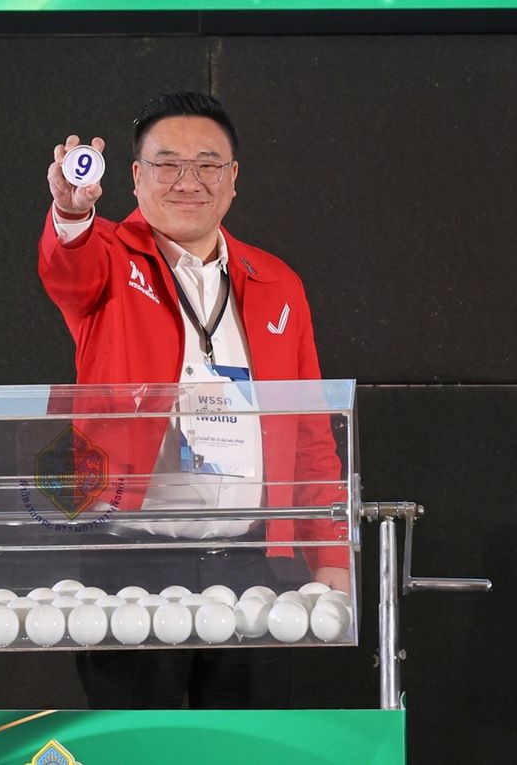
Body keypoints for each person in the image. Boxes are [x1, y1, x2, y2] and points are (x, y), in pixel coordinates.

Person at [38, 91, 348, 708]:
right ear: (135, 176)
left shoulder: (278, 282)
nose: (189, 181)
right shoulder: (108, 256)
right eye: (168, 164)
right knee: (135, 746)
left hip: (251, 561)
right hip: (130, 561)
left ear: (233, 178)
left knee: (246, 744)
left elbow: (310, 433)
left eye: (208, 165)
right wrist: (71, 213)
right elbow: (67, 265)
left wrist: (330, 551)